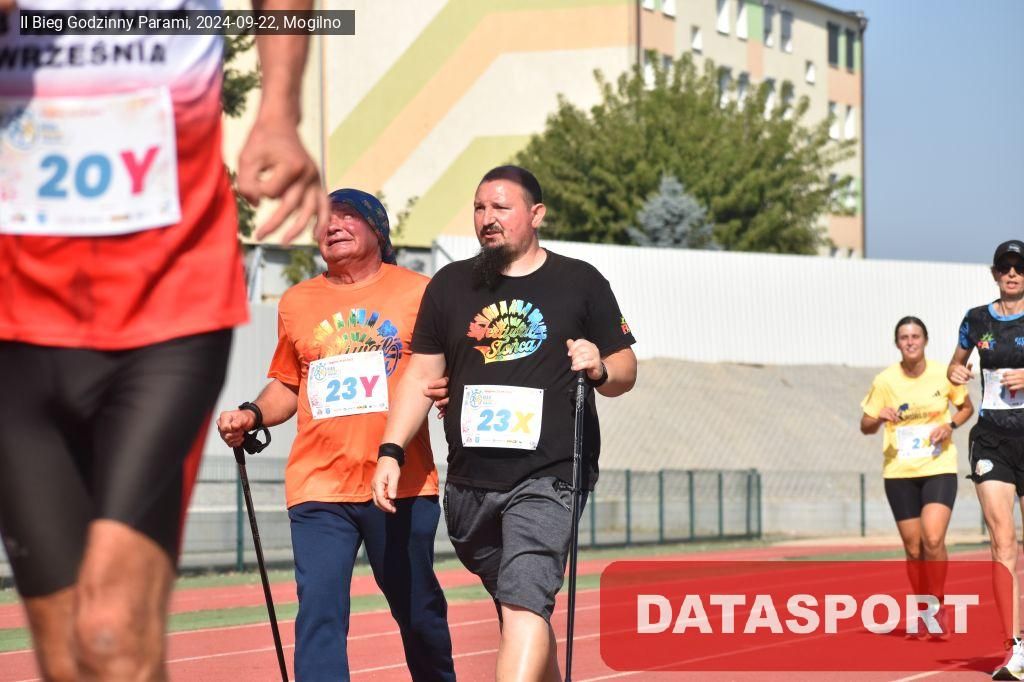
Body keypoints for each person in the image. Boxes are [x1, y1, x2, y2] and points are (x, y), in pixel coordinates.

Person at [0, 1, 327, 679]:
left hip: (170, 302)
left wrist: (279, 107)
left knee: (113, 633)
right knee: (65, 657)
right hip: (14, 319)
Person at [372, 165, 638, 680]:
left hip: (549, 474)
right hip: (471, 482)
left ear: (536, 215)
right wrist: (391, 450)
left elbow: (625, 369)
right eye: (479, 208)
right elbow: (420, 375)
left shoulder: (579, 281)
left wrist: (600, 367)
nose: (487, 218)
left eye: (501, 207)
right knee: (521, 607)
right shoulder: (450, 285)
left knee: (522, 601)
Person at [216, 189, 455, 682]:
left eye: (347, 216)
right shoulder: (297, 301)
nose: (333, 225)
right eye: (325, 219)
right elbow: (289, 384)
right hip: (319, 487)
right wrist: (251, 414)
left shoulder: (421, 292)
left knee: (419, 613)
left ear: (378, 230)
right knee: (319, 613)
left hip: (401, 484)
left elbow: (448, 367)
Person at [860, 316, 973, 637]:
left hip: (938, 467)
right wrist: (879, 417)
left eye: (915, 336)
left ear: (925, 340)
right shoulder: (885, 381)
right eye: (904, 337)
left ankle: (937, 606)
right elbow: (865, 426)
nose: (910, 342)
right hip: (899, 472)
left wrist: (949, 425)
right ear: (897, 343)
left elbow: (966, 407)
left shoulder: (943, 374)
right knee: (913, 549)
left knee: (932, 539)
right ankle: (924, 609)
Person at [949, 240, 1024, 680]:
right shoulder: (976, 319)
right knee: (1003, 543)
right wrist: (956, 373)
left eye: (1020, 267)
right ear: (994, 273)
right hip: (992, 440)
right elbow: (955, 366)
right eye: (1005, 267)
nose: (1012, 273)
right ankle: (1015, 648)